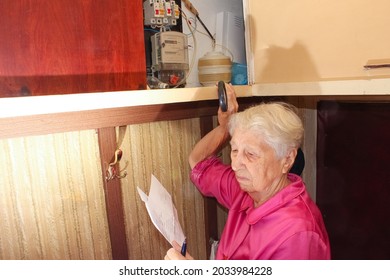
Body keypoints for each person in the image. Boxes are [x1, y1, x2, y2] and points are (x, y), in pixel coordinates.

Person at [165, 83, 330, 260]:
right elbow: (198, 162)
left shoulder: (298, 234)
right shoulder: (246, 189)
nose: (235, 165)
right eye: (234, 150)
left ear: (287, 159)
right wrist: (224, 128)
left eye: (250, 154)